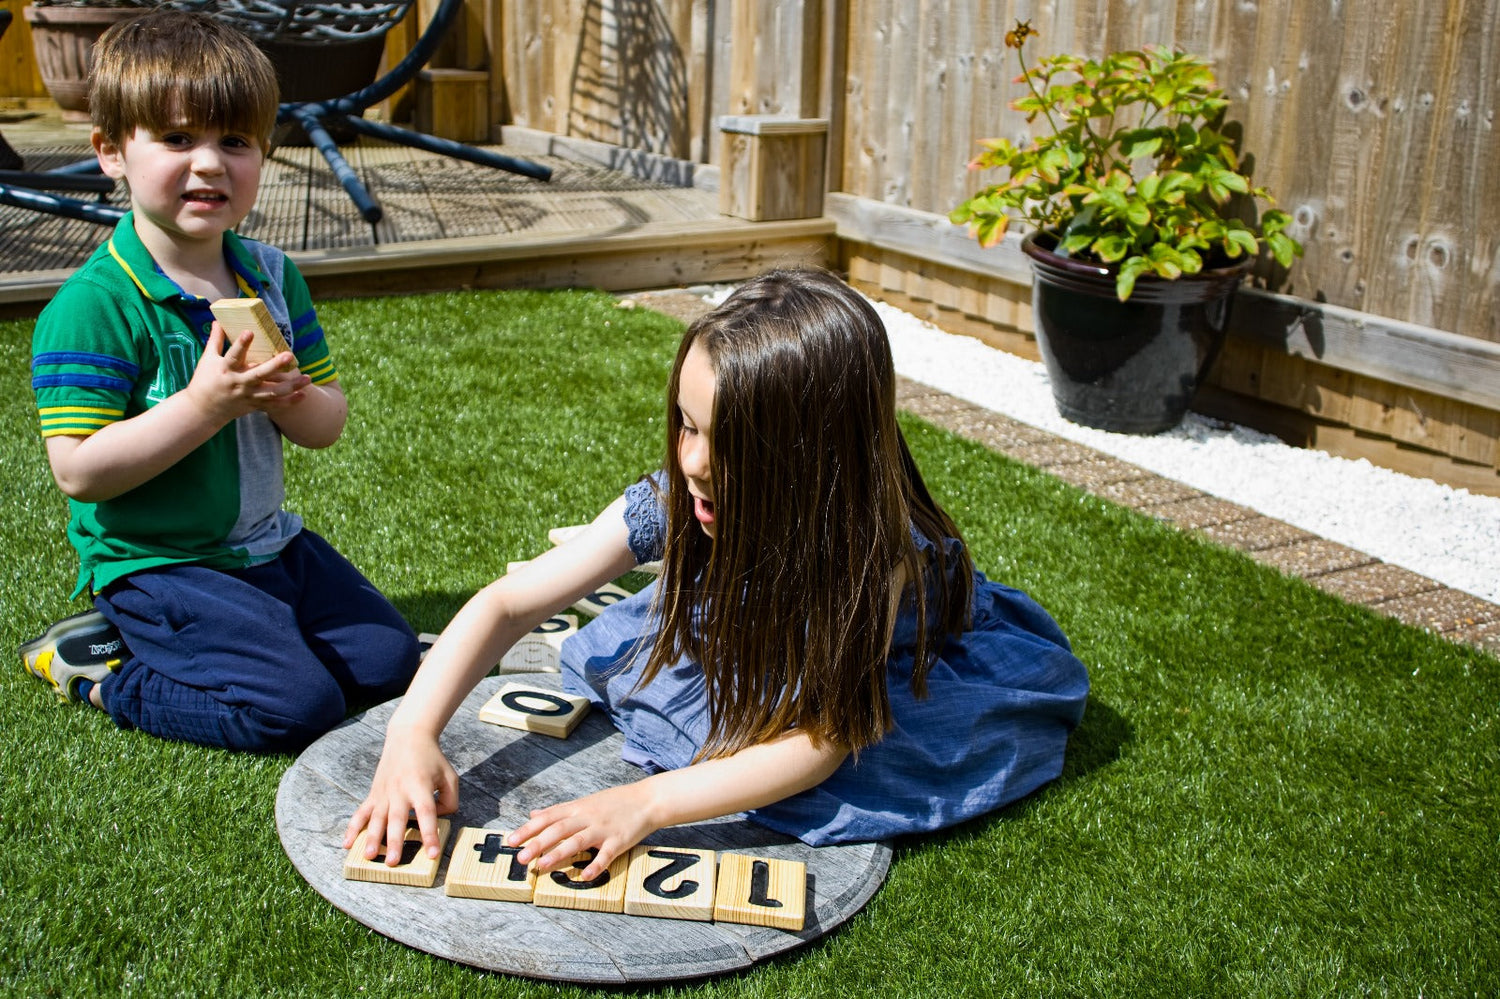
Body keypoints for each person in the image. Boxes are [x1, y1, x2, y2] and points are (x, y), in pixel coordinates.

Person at [346, 269, 1089, 876]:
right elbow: (511, 602)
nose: (694, 463)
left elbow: (820, 741)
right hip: (758, 621)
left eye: (731, 444)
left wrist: (643, 803)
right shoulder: (681, 493)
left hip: (876, 662)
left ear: (814, 459)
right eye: (687, 424)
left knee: (842, 777)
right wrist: (412, 730)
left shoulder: (876, 556)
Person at [21, 10, 420, 752]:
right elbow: (79, 472)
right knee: (294, 710)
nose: (209, 164)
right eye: (177, 139)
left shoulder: (271, 276)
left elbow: (326, 426)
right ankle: (100, 670)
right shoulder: (94, 307)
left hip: (268, 545)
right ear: (111, 152)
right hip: (160, 561)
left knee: (389, 663)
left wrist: (292, 394)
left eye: (234, 142)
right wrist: (205, 404)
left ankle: (244, 629)